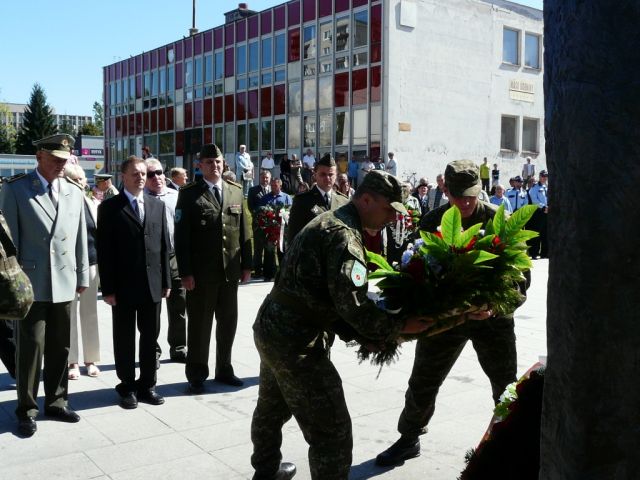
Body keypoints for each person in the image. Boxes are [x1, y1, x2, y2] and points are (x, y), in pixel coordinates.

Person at [250, 171, 435, 480]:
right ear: (366, 200)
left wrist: (363, 335)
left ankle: (266, 471)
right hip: (297, 341)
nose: (393, 218)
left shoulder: (330, 221)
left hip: (273, 328)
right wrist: (400, 326)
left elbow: (328, 297)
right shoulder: (344, 235)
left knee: (271, 407)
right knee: (332, 430)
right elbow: (354, 306)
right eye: (389, 209)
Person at [375, 160, 522, 468]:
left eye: (470, 195)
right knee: (423, 380)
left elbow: (520, 279)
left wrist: (495, 306)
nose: (465, 202)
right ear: (446, 191)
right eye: (457, 196)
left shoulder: (499, 220)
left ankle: (513, 444)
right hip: (445, 320)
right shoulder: (433, 221)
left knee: (506, 386)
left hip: (491, 320)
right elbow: (418, 270)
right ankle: (409, 437)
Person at [0, 133, 89, 437]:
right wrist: (11, 281)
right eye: (55, 159)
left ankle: (57, 401)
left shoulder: (74, 191)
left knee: (60, 346)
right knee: (30, 348)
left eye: (65, 159)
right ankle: (26, 409)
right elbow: (8, 241)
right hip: (31, 281)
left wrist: (82, 275)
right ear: (39, 156)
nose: (61, 165)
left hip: (64, 280)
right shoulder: (16, 189)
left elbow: (80, 237)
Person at [174, 144, 252, 393]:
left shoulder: (235, 191)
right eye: (209, 162)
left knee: (228, 323)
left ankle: (224, 368)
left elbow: (245, 230)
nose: (214, 166)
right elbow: (181, 238)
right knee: (200, 325)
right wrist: (185, 272)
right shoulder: (189, 194)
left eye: (217, 161)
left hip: (229, 272)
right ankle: (197, 374)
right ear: (200, 166)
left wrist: (247, 265)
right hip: (201, 275)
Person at [97, 156, 171, 410]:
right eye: (135, 174)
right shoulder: (110, 208)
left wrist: (166, 280)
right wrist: (108, 289)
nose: (141, 178)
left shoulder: (156, 205)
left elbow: (164, 246)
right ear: (124, 177)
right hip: (123, 286)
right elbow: (105, 251)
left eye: (144, 173)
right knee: (124, 337)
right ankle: (127, 385)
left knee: (150, 337)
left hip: (152, 284)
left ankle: (148, 384)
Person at [145, 159, 188, 363]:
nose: (156, 177)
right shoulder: (141, 199)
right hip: (152, 259)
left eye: (159, 172)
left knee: (179, 304)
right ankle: (152, 350)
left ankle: (178, 347)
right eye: (150, 174)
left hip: (174, 256)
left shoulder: (176, 196)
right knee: (152, 308)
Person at [64, 164, 101, 380]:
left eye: (81, 179)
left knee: (90, 312)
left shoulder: (91, 203)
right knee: (69, 314)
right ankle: (72, 361)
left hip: (91, 263)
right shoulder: (61, 202)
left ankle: (91, 359)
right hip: (68, 266)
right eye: (74, 179)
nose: (79, 183)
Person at [287, 153, 349, 243]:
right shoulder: (302, 201)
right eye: (323, 174)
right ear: (315, 175)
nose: (327, 178)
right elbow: (293, 235)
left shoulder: (344, 201)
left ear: (336, 176)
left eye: (331, 174)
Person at [259, 177, 293, 279]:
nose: (273, 187)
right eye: (272, 185)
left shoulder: (286, 197)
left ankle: (283, 274)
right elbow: (261, 212)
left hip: (282, 230)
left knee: (282, 251)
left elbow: (291, 211)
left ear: (280, 185)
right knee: (269, 252)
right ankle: (269, 274)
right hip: (270, 230)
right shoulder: (265, 198)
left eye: (275, 185)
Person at [248, 170, 273, 280]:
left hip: (271, 225)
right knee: (258, 248)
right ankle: (257, 271)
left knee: (269, 248)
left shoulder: (273, 189)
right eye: (263, 177)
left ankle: (268, 270)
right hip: (258, 224)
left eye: (267, 177)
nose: (265, 179)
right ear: (260, 178)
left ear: (270, 178)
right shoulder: (253, 190)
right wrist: (259, 217)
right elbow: (250, 206)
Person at [527, 170, 548, 259]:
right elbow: (534, 200)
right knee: (537, 234)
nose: (544, 178)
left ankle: (544, 253)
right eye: (543, 176)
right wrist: (543, 207)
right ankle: (534, 253)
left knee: (545, 233)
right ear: (539, 177)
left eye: (546, 176)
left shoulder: (546, 187)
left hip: (547, 212)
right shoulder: (534, 187)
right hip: (538, 212)